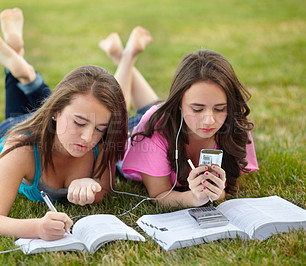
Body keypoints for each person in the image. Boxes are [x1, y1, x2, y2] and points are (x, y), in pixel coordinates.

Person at [0, 8, 128, 240]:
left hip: (51, 122)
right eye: (79, 123)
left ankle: (19, 62)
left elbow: (102, 190)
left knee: (73, 103)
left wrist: (90, 185)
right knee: (23, 114)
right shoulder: (19, 150)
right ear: (55, 112)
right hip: (11, 131)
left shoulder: (101, 146)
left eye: (99, 128)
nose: (88, 138)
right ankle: (18, 67)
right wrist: (36, 228)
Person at [107, 30, 259, 208]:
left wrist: (217, 192)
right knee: (115, 117)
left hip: (167, 116)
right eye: (197, 109)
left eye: (219, 108)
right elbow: (159, 195)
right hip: (134, 132)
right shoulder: (153, 131)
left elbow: (224, 189)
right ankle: (126, 57)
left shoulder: (235, 124)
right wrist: (194, 199)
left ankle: (122, 55)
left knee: (153, 106)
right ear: (179, 103)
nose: (209, 120)